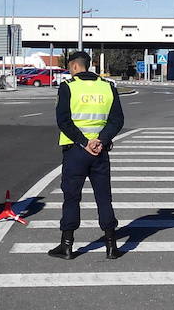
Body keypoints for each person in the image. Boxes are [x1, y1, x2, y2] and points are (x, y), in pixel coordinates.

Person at [50, 50, 124, 260]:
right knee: (104, 198)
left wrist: (84, 142)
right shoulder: (108, 86)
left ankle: (67, 246)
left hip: (75, 151)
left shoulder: (68, 87)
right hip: (100, 151)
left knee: (72, 198)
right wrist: (101, 139)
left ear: (74, 66)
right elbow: (117, 120)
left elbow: (63, 121)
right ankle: (111, 246)